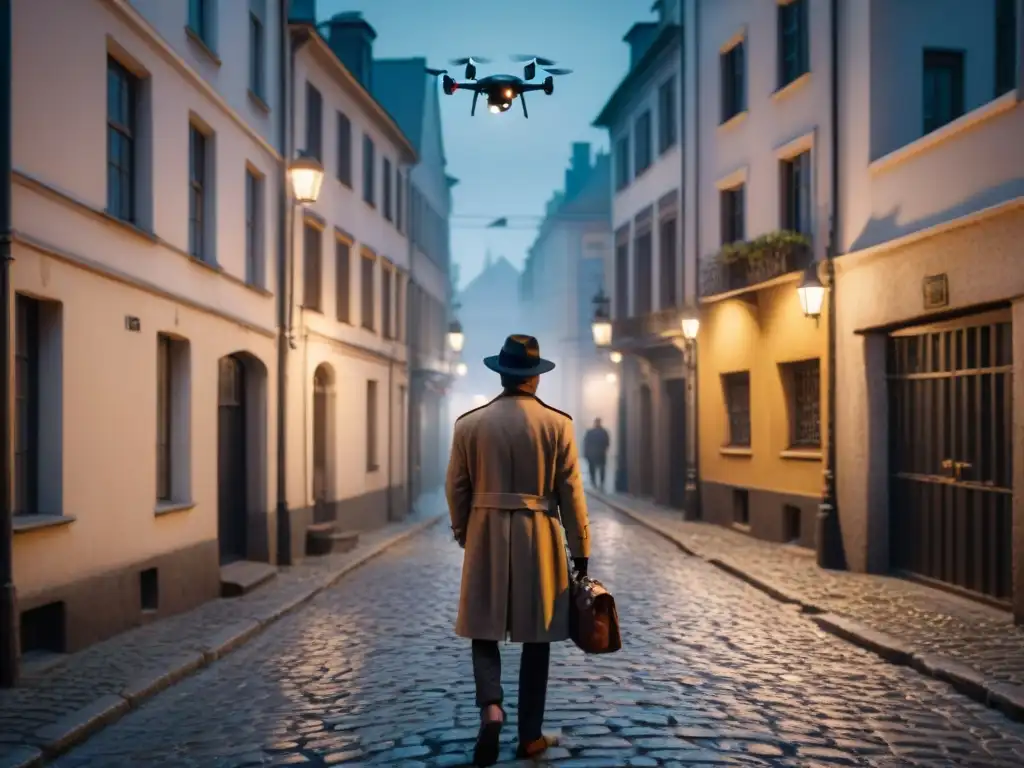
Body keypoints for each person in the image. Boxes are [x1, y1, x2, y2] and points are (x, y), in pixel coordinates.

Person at [446, 334, 591, 767]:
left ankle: (491, 706)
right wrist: (580, 550)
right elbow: (571, 492)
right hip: (539, 535)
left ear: (502, 374)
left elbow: (456, 487)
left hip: (486, 531)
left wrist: (463, 530)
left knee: (482, 627)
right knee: (537, 635)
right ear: (535, 379)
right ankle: (529, 736)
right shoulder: (557, 424)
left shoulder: (469, 424)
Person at [582, 418, 610, 491]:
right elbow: (607, 443)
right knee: (598, 469)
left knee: (596, 469)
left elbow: (586, 443)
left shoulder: (591, 432)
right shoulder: (603, 432)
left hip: (595, 454)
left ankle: (597, 483)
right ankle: (598, 483)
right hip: (599, 454)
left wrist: (586, 453)